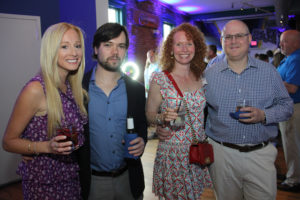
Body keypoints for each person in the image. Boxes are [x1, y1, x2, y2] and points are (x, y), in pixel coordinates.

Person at [204, 20, 293, 199]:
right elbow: (197, 108)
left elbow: (287, 106)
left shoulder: (269, 72)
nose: (233, 41)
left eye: (239, 36)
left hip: (259, 155)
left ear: (249, 39)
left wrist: (264, 115)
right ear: (222, 40)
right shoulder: (209, 74)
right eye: (228, 37)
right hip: (222, 156)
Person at [2, 22, 88, 199]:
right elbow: (8, 142)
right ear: (51, 50)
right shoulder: (36, 89)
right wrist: (45, 147)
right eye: (64, 46)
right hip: (43, 184)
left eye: (77, 46)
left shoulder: (72, 87)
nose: (74, 53)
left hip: (70, 176)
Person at [79, 23, 147, 200]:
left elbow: (141, 127)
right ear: (95, 49)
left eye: (121, 46)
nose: (115, 52)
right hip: (91, 183)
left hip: (128, 179)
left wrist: (142, 141)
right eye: (108, 45)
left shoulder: (137, 90)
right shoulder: (77, 88)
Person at [146, 23, 212, 199]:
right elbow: (149, 114)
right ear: (170, 49)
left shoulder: (202, 76)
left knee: (195, 195)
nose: (184, 49)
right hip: (173, 153)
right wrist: (161, 118)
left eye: (189, 43)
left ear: (196, 47)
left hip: (197, 150)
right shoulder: (160, 78)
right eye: (179, 44)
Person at [277, 30, 300, 192]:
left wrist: (271, 79)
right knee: (290, 144)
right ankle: (292, 174)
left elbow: (291, 87)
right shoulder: (289, 59)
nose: (281, 45)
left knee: (293, 145)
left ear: (296, 43)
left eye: (284, 41)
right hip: (288, 108)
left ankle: (294, 180)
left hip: (293, 108)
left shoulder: (296, 59)